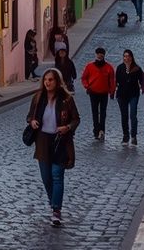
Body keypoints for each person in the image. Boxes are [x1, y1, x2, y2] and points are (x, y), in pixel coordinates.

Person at [26, 68, 80, 227]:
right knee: (46, 178)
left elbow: (76, 119)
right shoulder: (38, 98)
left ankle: (56, 210)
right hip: (42, 141)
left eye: (51, 80)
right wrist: (32, 122)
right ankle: (53, 202)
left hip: (60, 141)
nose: (47, 82)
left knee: (57, 175)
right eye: (45, 80)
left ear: (57, 81)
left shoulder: (66, 99)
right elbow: (30, 116)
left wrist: (68, 127)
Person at [81, 47, 116, 141]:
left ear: (104, 55)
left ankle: (102, 130)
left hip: (104, 93)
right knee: (95, 112)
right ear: (96, 55)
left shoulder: (109, 67)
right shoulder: (90, 66)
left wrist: (112, 91)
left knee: (103, 113)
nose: (100, 55)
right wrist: (87, 86)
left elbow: (112, 80)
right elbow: (84, 78)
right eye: (98, 53)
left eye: (101, 54)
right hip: (93, 92)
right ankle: (96, 131)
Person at [115, 49, 143, 145]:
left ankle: (134, 135)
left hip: (133, 94)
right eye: (125, 56)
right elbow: (116, 80)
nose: (126, 58)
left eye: (128, 56)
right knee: (124, 115)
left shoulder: (137, 68)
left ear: (131, 57)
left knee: (133, 115)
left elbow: (142, 80)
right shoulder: (120, 68)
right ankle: (125, 136)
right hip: (122, 95)